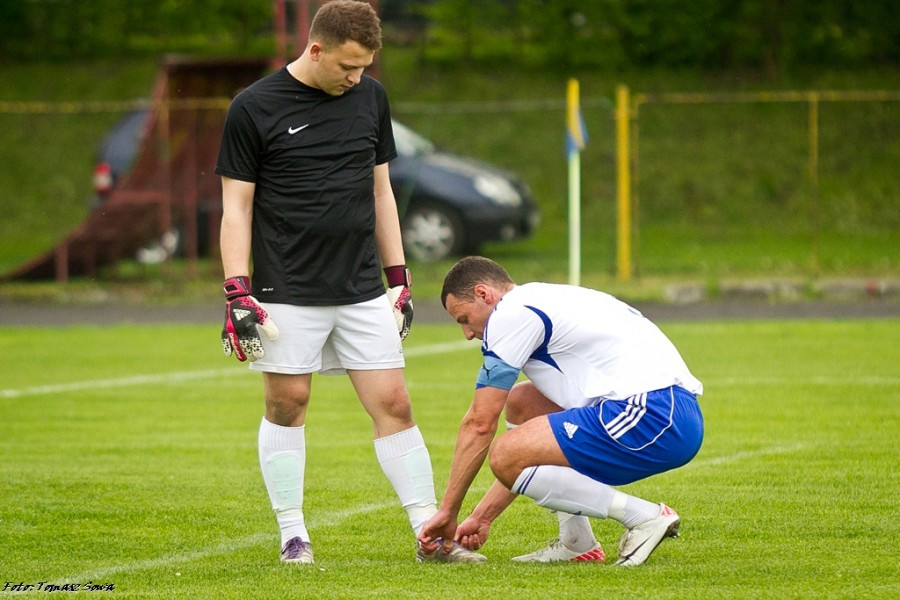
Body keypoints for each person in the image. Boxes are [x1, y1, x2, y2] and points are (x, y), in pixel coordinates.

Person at [215, 0, 484, 565]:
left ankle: (428, 535)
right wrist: (236, 289)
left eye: (364, 68)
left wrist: (398, 277)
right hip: (285, 288)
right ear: (316, 49)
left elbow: (380, 191)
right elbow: (236, 208)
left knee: (395, 403)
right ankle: (293, 535)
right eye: (347, 67)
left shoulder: (371, 98)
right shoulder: (253, 107)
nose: (356, 78)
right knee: (288, 403)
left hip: (362, 286)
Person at [418, 256, 704, 566]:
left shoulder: (509, 314)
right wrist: (482, 517)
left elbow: (480, 423)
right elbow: (528, 448)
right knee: (523, 403)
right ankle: (577, 541)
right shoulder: (542, 297)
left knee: (503, 453)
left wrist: (447, 512)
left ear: (484, 294)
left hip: (653, 414)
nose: (468, 333)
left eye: (463, 318)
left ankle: (646, 516)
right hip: (671, 411)